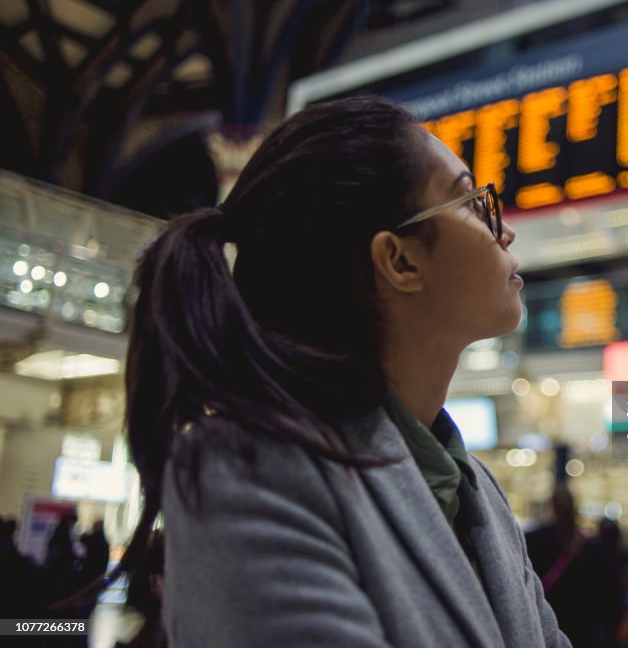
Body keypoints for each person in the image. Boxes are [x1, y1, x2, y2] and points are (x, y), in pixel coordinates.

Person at [111, 95, 568, 647]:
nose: (505, 232)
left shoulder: (477, 490)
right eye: (473, 202)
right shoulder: (248, 466)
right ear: (399, 261)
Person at [526, 486, 620, 647]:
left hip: (545, 628)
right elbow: (608, 597)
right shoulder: (592, 550)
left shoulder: (533, 541)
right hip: (583, 631)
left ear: (552, 506)